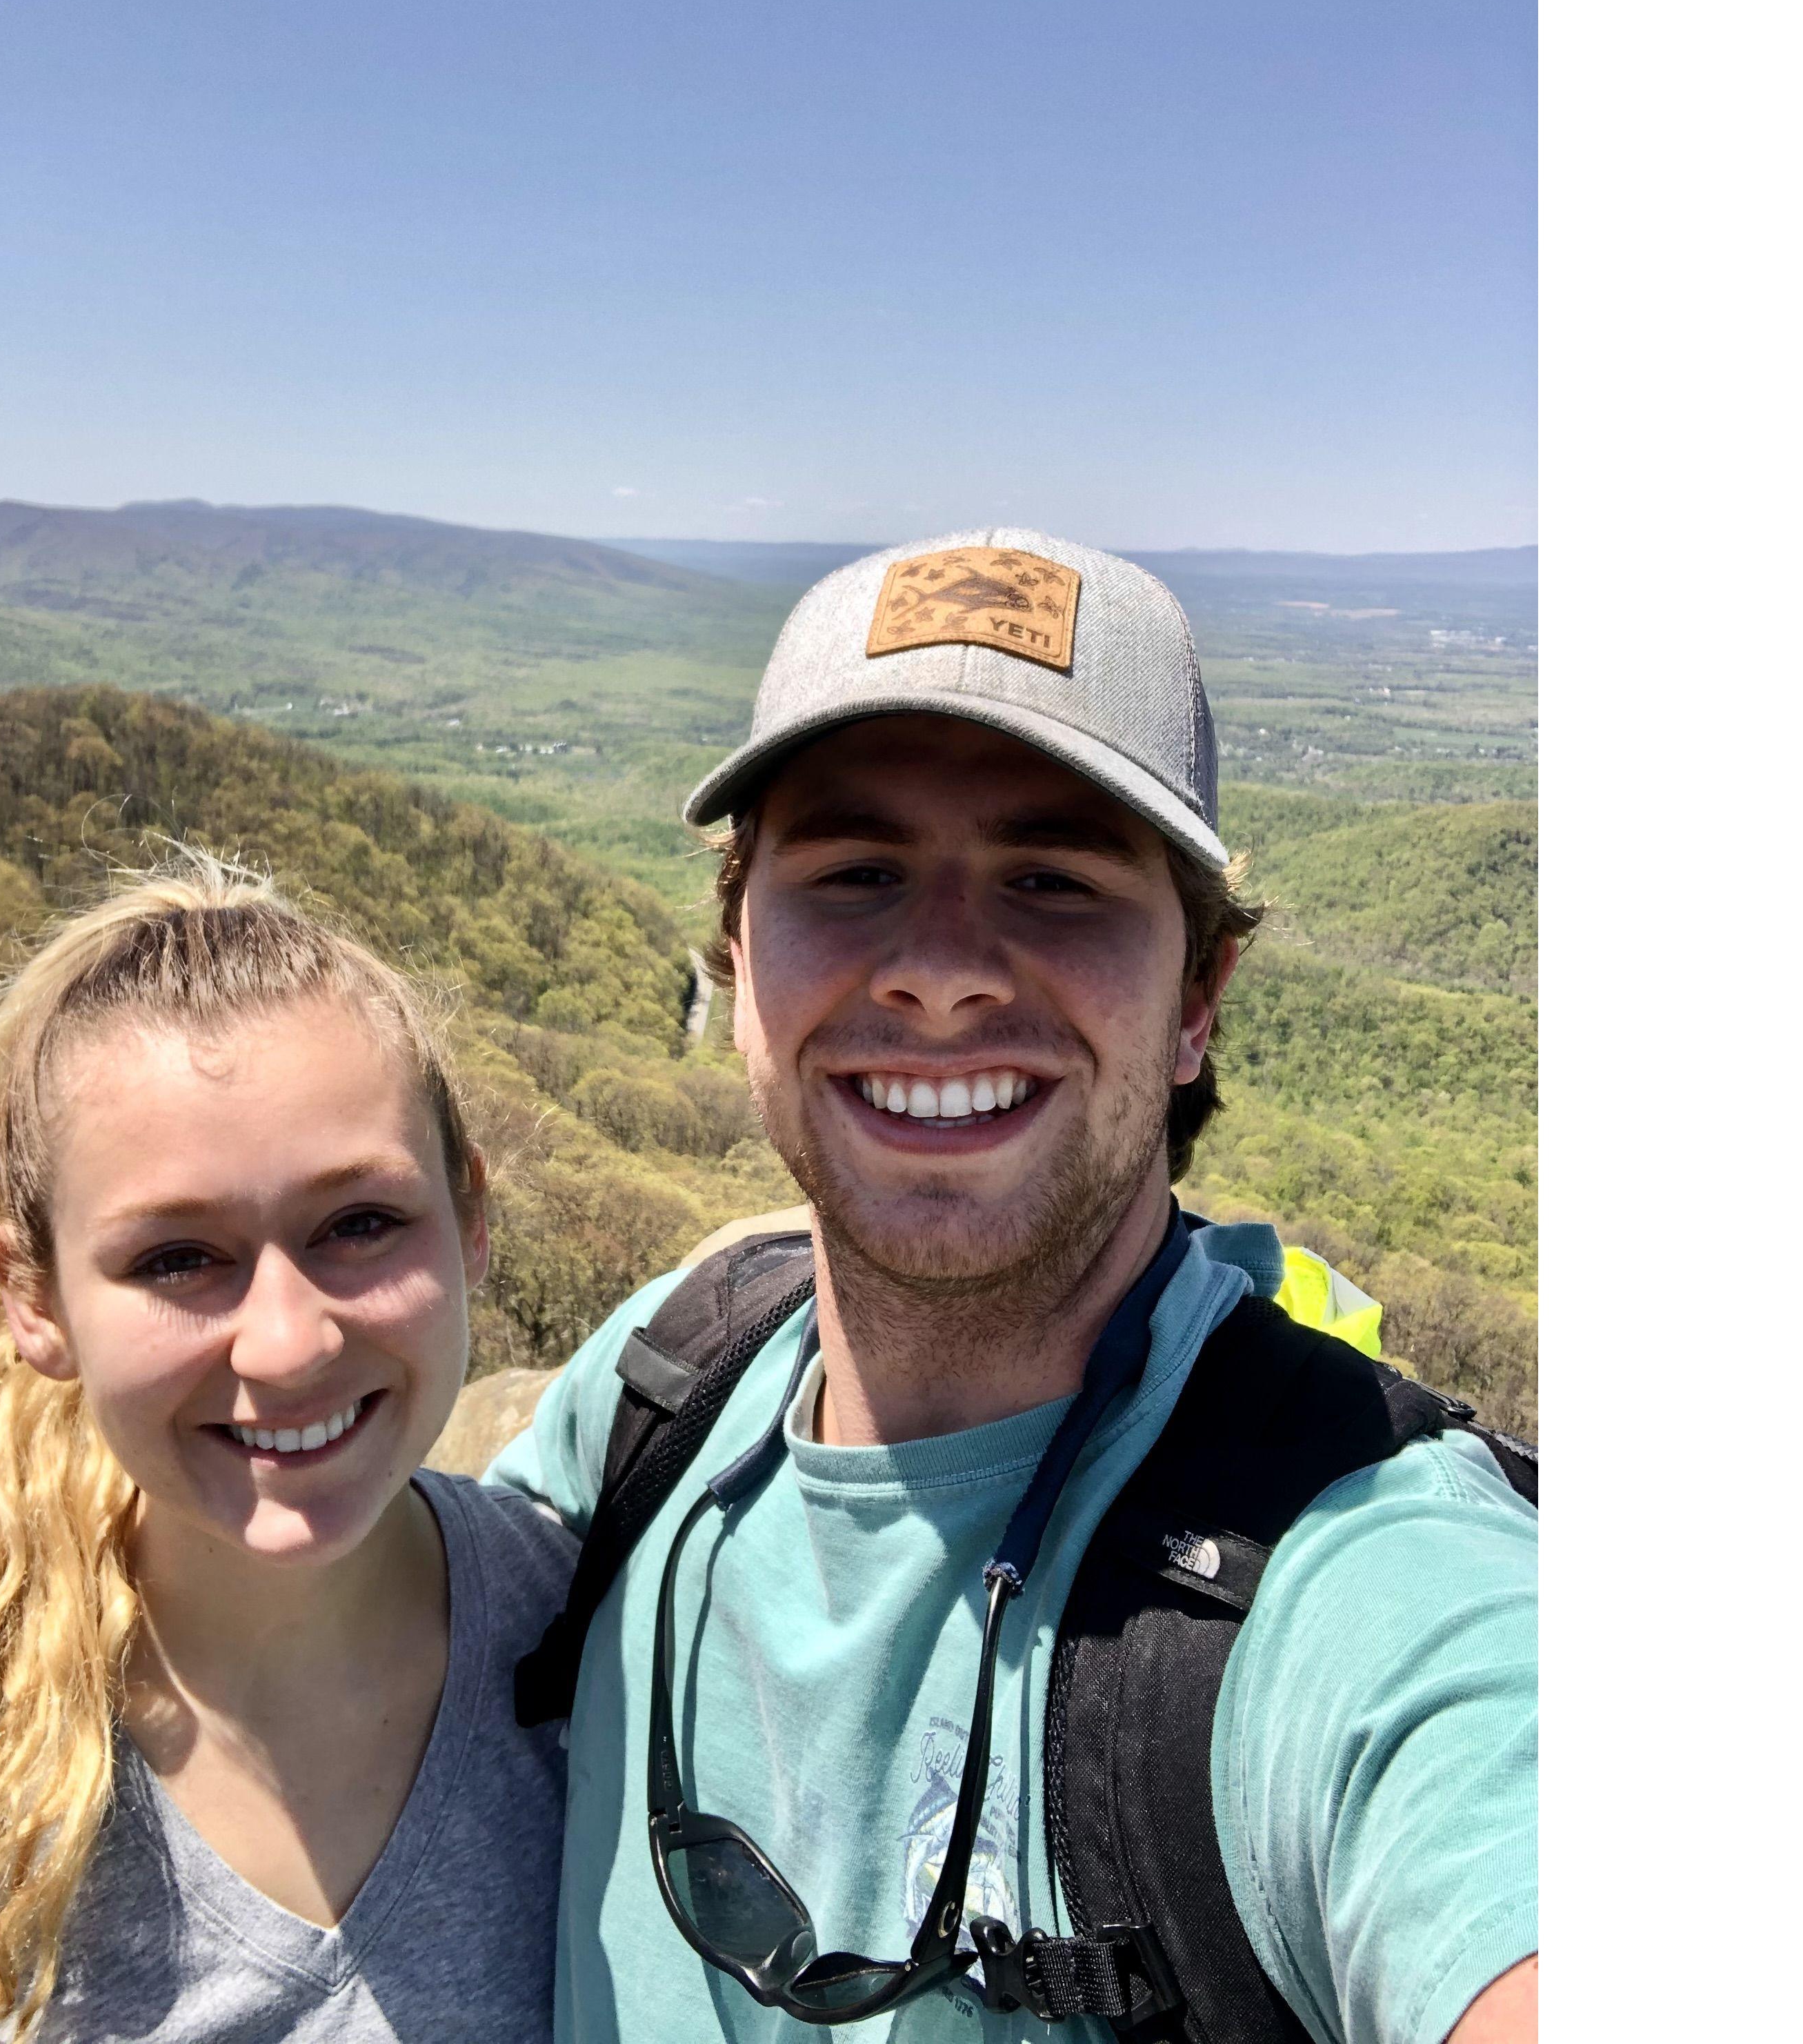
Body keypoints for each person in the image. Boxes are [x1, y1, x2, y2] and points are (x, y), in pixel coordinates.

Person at [490, 531, 1536, 2043]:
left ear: (1196, 997)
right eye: (854, 872)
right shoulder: (660, 1392)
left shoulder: (1359, 1581)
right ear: (734, 962)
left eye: (1051, 877)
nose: (938, 967)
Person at [0, 856, 577, 2043]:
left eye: (360, 1225)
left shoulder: (600, 1649)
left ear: (471, 1223)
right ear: (35, 1300)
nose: (286, 1346)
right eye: (178, 1258)